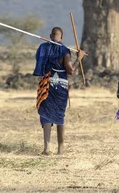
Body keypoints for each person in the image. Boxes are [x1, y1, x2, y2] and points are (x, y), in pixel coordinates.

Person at [34, 27, 85, 156]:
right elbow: (70, 70)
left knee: (46, 115)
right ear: (61, 37)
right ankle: (60, 149)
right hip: (61, 86)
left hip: (46, 84)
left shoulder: (43, 48)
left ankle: (46, 148)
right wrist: (79, 59)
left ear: (51, 35)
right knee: (59, 115)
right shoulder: (64, 50)